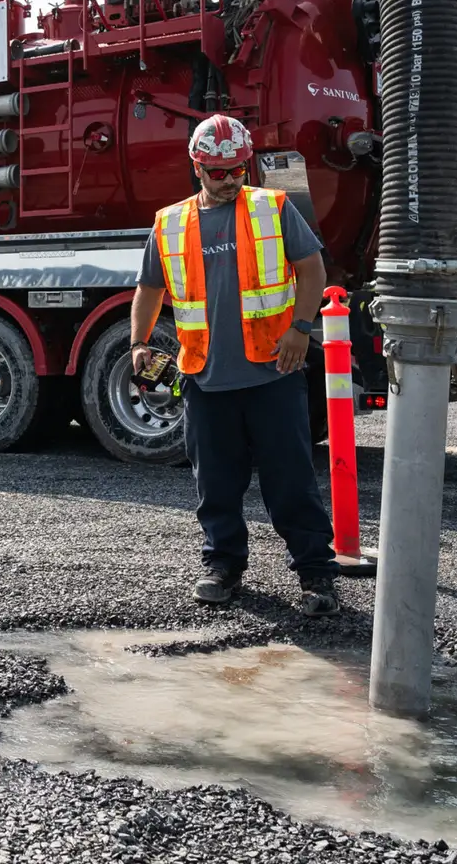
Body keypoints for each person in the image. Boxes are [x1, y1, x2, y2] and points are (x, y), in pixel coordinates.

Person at [130, 114, 339, 615]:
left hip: (273, 372)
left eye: (237, 171)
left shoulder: (273, 208)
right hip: (205, 375)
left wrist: (301, 327)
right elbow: (150, 288)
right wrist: (138, 343)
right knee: (216, 483)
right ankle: (222, 566)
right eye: (217, 172)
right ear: (196, 167)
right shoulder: (171, 222)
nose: (228, 181)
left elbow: (311, 268)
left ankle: (316, 575)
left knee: (290, 480)